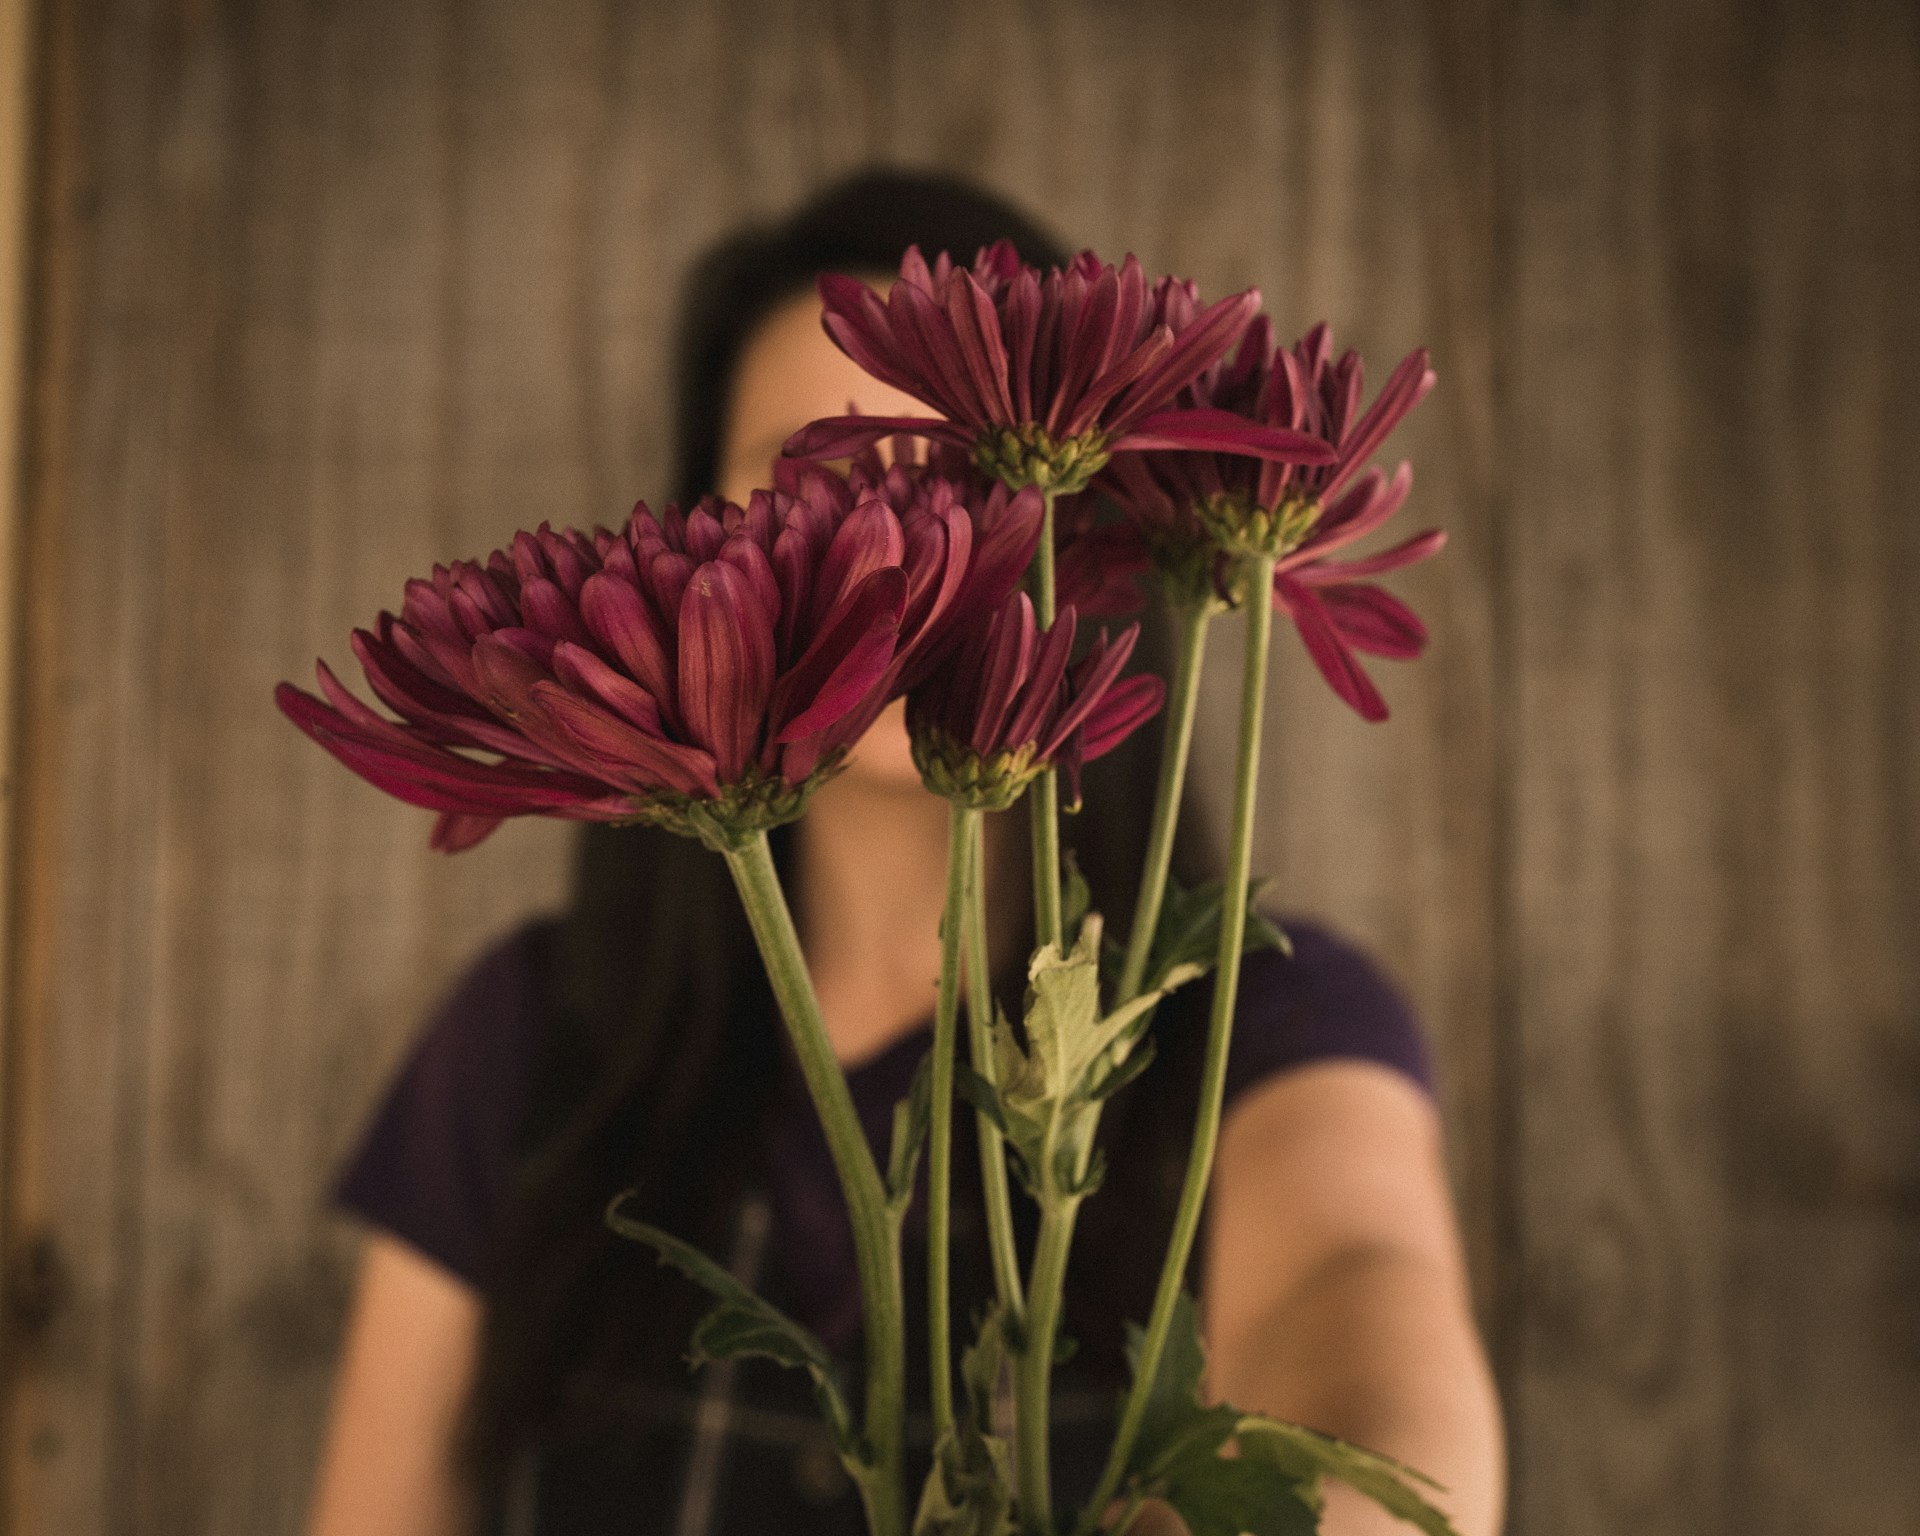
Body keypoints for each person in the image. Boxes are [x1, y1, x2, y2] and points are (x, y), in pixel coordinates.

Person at [305, 170, 1504, 1536]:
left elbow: (1372, 1373)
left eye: (954, 473)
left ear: (1091, 522)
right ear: (695, 545)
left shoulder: (1263, 1013)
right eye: (811, 472)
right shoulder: (528, 1040)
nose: (882, 538)